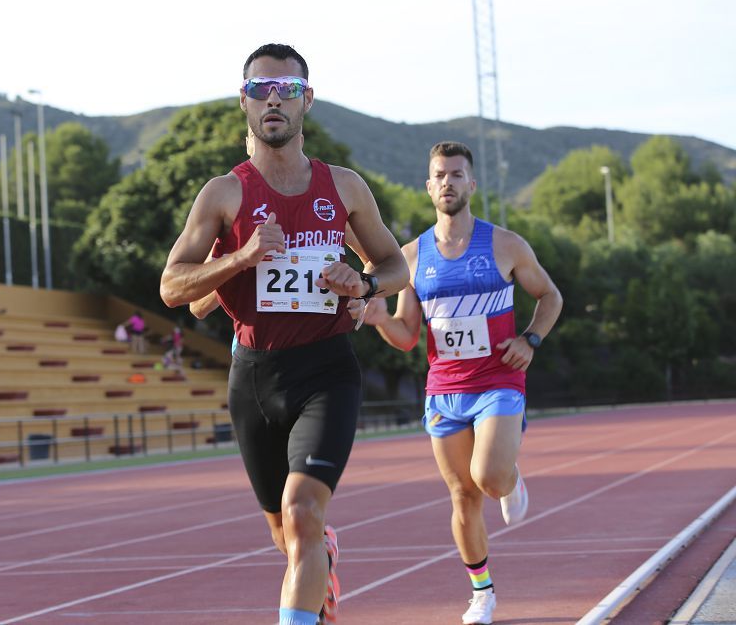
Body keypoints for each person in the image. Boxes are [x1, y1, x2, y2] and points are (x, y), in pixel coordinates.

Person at [161, 43, 409, 625]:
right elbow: (175, 288)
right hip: (252, 376)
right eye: (260, 90)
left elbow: (396, 267)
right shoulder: (224, 193)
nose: (274, 99)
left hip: (325, 370)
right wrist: (242, 256)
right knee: (285, 530)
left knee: (301, 511)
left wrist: (365, 286)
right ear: (243, 101)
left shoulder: (343, 187)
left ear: (307, 100)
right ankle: (319, 556)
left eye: (288, 89)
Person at [350, 141, 563, 625]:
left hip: (499, 381)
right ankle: (482, 593)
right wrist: (381, 318)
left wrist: (531, 338)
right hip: (444, 390)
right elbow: (407, 336)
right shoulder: (410, 257)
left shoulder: (506, 244)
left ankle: (508, 476)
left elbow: (550, 296)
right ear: (428, 187)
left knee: (487, 478)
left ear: (471, 184)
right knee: (462, 496)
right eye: (439, 175)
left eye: (456, 174)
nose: (448, 182)